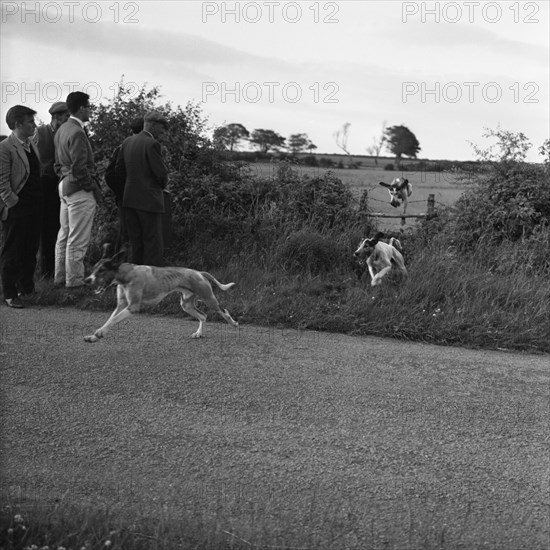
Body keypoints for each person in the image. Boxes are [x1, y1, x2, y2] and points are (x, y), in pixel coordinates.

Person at [54, 91, 101, 288]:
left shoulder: (62, 129)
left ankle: (60, 277)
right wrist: (89, 185)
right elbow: (80, 168)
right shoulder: (77, 132)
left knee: (64, 235)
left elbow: (57, 164)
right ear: (81, 108)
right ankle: (74, 281)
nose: (90, 111)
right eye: (89, 107)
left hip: (64, 185)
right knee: (78, 238)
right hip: (78, 188)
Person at [0, 105, 42, 308]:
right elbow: (2, 181)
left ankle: (26, 287)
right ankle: (9, 293)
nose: (34, 125)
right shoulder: (5, 147)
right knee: (12, 249)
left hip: (33, 205)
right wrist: (12, 203)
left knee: (30, 248)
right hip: (17, 207)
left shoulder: (30, 143)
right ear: (18, 124)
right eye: (30, 122)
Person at [115, 110, 168, 266]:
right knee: (152, 243)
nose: (162, 131)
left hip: (129, 200)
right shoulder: (152, 144)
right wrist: (162, 185)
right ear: (152, 125)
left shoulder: (127, 142)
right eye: (161, 127)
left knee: (135, 243)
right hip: (149, 201)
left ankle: (134, 280)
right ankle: (152, 283)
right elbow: (161, 174)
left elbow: (119, 170)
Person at [34, 101, 70, 278]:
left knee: (61, 227)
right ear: (57, 117)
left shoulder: (66, 133)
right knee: (46, 228)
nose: (68, 120)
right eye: (66, 117)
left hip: (61, 185)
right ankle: (46, 270)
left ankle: (59, 268)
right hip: (44, 185)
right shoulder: (39, 133)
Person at [104, 117, 144, 253]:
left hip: (133, 198)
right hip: (127, 198)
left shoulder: (124, 146)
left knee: (133, 234)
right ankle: (120, 266)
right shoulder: (123, 148)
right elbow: (110, 175)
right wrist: (123, 192)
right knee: (127, 234)